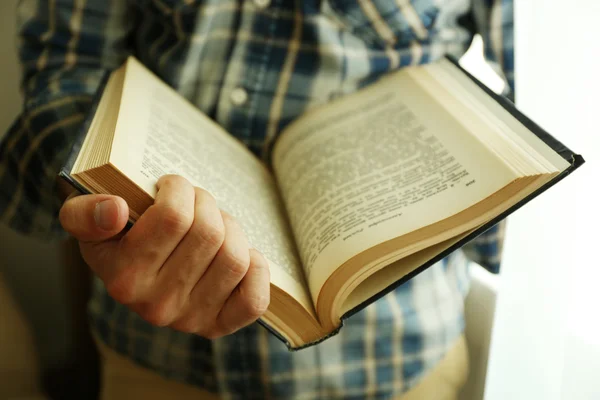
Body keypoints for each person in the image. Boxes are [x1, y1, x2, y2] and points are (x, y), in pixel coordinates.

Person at [0, 0, 513, 399]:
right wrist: (97, 194)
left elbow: (556, 92)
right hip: (152, 360)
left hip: (390, 360)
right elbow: (69, 64)